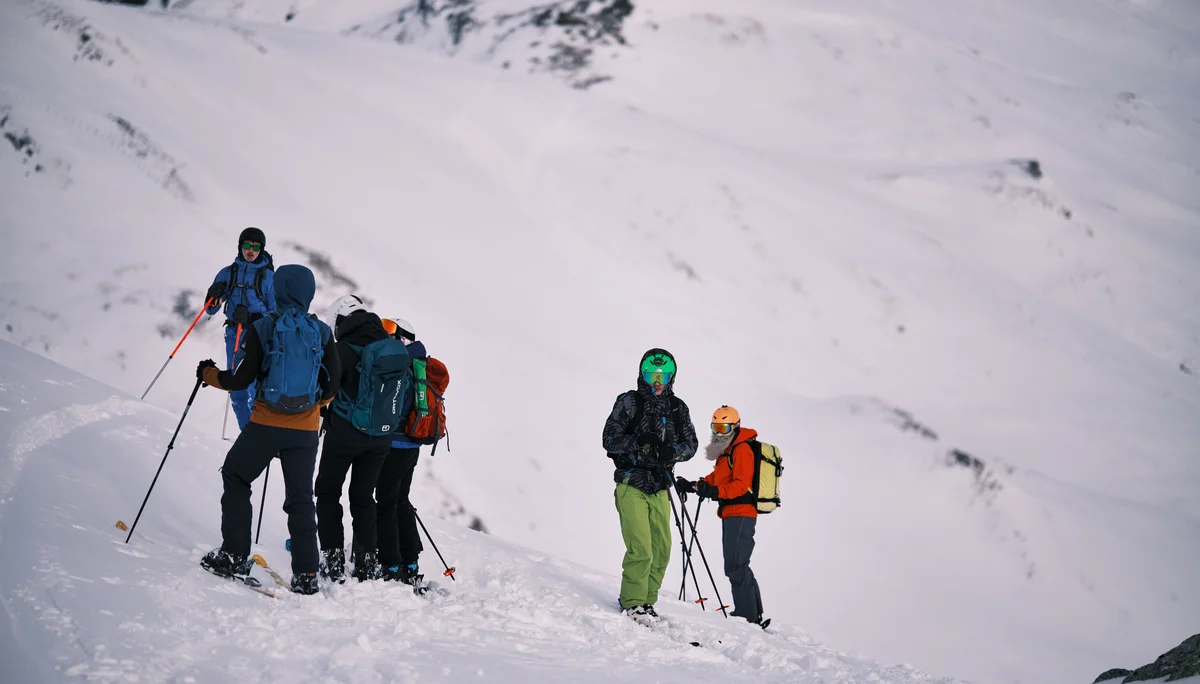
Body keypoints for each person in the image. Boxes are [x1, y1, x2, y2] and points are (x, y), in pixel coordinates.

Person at [195, 264, 339, 595]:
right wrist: (313, 407)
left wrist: (208, 374)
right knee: (301, 499)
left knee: (236, 475)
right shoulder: (321, 332)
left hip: (264, 425)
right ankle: (306, 575)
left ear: (278, 289)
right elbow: (333, 385)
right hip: (305, 431)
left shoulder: (264, 327)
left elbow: (240, 380)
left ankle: (234, 555)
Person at [602, 348, 699, 619]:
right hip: (631, 482)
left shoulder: (678, 408)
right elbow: (609, 439)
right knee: (641, 548)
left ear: (671, 378)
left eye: (663, 376)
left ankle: (646, 602)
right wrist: (638, 441)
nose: (657, 382)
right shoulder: (629, 402)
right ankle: (632, 602)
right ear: (642, 375)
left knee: (661, 550)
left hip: (659, 485)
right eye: (651, 375)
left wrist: (672, 452)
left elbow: (691, 445)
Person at [316, 296, 406, 582]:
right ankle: (367, 562)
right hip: (381, 437)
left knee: (328, 491)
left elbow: (326, 389)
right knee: (364, 497)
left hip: (345, 434)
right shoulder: (389, 345)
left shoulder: (342, 349)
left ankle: (333, 559)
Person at [675, 405, 767, 627]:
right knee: (738, 564)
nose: (719, 433)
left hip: (741, 513)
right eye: (715, 427)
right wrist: (695, 485)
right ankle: (752, 613)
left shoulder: (741, 449)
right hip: (732, 513)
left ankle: (747, 616)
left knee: (736, 566)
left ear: (735, 426)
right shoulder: (728, 451)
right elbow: (716, 478)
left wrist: (715, 492)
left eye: (724, 428)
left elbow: (740, 485)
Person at [204, 227, 276, 431]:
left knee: (254, 388)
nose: (250, 251)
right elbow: (210, 309)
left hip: (257, 337)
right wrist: (212, 295)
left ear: (262, 249)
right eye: (247, 245)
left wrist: (253, 318)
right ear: (240, 246)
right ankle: (247, 434)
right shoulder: (228, 273)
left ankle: (257, 434)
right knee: (236, 389)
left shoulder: (268, 278)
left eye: (256, 247)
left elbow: (275, 313)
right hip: (234, 335)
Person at [375, 318, 427, 586]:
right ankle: (410, 560)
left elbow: (392, 408)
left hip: (394, 445)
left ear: (402, 339)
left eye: (392, 332)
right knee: (400, 500)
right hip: (411, 446)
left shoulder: (401, 366)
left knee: (385, 501)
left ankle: (391, 563)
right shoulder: (419, 365)